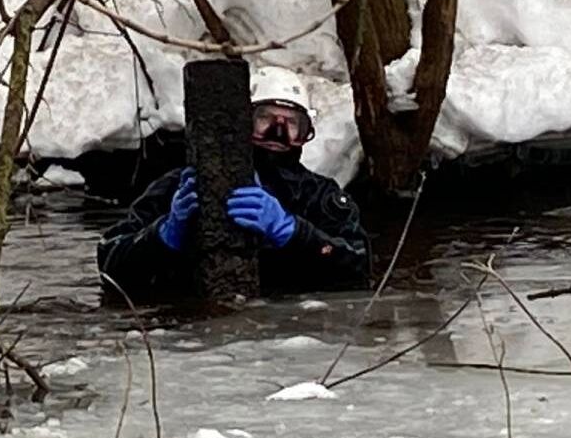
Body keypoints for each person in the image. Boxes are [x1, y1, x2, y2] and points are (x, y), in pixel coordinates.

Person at [97, 66, 371, 303]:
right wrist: (165, 235)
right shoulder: (180, 187)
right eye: (265, 118)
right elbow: (109, 262)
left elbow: (359, 267)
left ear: (305, 131)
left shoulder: (320, 196)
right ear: (243, 121)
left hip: (290, 330)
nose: (278, 131)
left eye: (291, 123)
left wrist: (294, 232)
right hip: (192, 325)